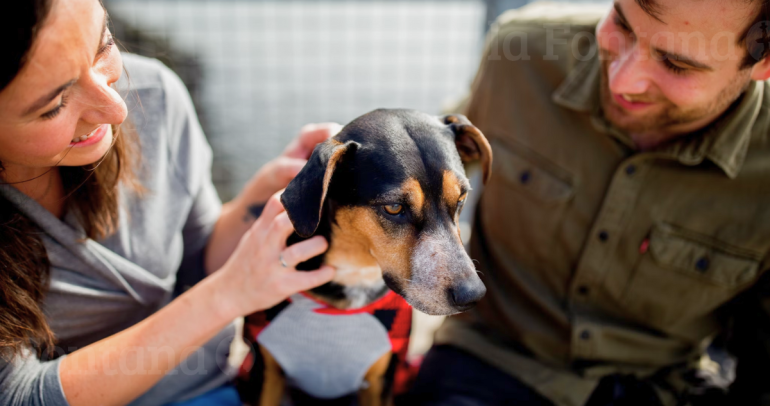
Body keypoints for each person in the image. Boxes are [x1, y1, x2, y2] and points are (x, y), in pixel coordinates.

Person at [406, 0, 770, 405]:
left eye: (676, 64)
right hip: (488, 361)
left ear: (763, 59)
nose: (622, 80)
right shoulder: (522, 55)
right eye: (622, 24)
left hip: (659, 388)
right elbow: (426, 164)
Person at [0, 1, 339, 405]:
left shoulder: (155, 95)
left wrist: (261, 194)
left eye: (104, 47)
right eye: (54, 106)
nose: (117, 109)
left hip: (215, 388)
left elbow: (194, 260)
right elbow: (20, 396)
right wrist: (228, 295)